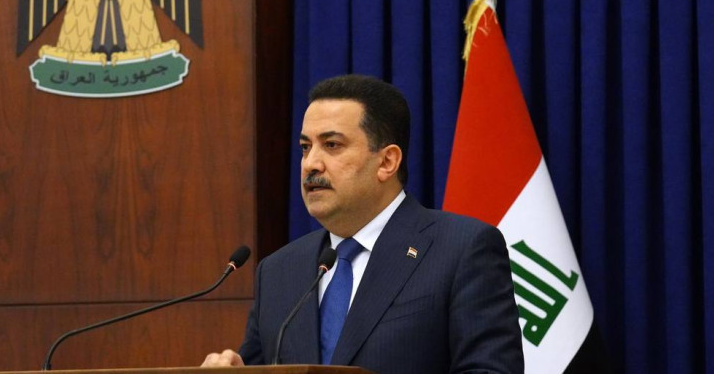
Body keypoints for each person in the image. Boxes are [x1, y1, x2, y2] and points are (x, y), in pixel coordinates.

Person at [202, 74, 523, 373]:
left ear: (387, 161)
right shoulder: (279, 271)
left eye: (332, 145)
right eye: (305, 147)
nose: (311, 163)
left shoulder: (461, 250)